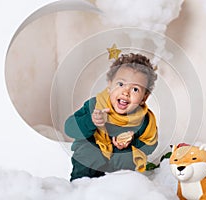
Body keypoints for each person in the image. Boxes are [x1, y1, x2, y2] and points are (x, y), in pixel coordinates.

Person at [64, 53, 158, 181]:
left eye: (135, 89)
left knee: (126, 156)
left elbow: (149, 145)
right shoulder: (95, 105)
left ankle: (116, 189)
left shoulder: (144, 120)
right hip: (93, 153)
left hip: (117, 162)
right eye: (120, 84)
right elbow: (69, 128)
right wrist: (91, 121)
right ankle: (80, 187)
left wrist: (131, 143)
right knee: (89, 153)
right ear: (110, 85)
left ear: (144, 97)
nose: (126, 92)